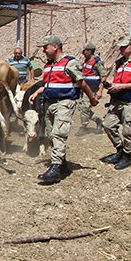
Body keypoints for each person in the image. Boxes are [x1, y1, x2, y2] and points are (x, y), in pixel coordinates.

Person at [28, 35, 98, 184]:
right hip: (49, 103)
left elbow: (82, 83)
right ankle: (62, 164)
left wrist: (92, 98)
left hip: (65, 102)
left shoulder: (70, 63)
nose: (43, 51)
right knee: (51, 135)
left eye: (45, 48)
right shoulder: (49, 65)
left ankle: (55, 169)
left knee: (59, 133)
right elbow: (48, 85)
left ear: (55, 47)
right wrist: (37, 92)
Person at [101, 36, 131, 170]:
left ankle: (127, 155)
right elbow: (115, 77)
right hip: (117, 101)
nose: (120, 49)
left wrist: (123, 86)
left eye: (124, 46)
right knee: (108, 124)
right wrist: (110, 84)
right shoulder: (119, 63)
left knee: (128, 130)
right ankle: (120, 150)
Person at [75, 42, 106, 136]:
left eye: (85, 51)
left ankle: (84, 127)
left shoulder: (97, 62)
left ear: (90, 51)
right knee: (82, 107)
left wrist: (100, 91)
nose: (83, 53)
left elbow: (103, 76)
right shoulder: (85, 62)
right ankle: (98, 121)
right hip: (83, 88)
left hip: (92, 89)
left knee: (85, 107)